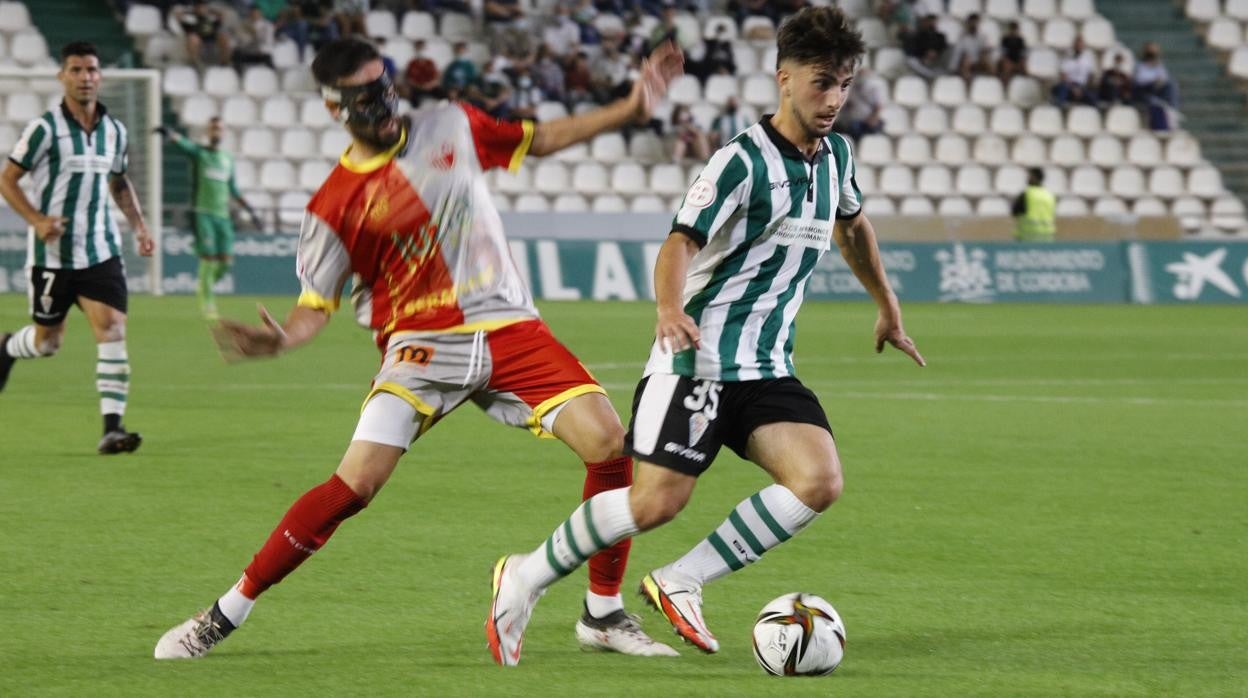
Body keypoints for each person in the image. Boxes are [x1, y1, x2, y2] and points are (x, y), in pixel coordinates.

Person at [153, 36, 687, 661]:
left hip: (510, 327)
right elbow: (312, 307)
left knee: (608, 444)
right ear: (333, 108)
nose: (382, 102)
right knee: (353, 487)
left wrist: (629, 108)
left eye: (385, 86)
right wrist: (280, 340)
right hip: (421, 346)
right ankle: (224, 612)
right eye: (363, 96)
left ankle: (602, 612)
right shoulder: (333, 207)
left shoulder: (451, 124)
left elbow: (535, 139)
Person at [485, 6, 925, 666]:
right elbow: (677, 244)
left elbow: (853, 227)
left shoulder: (837, 157)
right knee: (656, 501)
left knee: (819, 480)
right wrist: (668, 309)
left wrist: (887, 306)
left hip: (766, 366)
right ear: (784, 78)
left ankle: (681, 580)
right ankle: (524, 575)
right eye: (821, 82)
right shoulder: (739, 162)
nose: (833, 99)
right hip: (697, 360)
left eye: (844, 84)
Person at [0, 41, 155, 453]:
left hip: (102, 250)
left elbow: (119, 183)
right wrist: (36, 220)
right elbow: (7, 179)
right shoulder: (44, 129)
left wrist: (139, 226)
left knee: (113, 329)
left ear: (100, 76)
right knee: (46, 343)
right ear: (62, 76)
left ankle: (112, 428)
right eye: (76, 70)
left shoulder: (115, 131)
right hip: (54, 255)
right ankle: (7, 347)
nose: (85, 77)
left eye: (91, 70)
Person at [155, 117, 262, 319]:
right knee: (209, 259)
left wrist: (252, 211)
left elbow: (233, 189)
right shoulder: (200, 153)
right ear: (208, 131)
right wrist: (170, 134)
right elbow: (184, 145)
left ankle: (205, 286)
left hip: (223, 217)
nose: (217, 131)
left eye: (220, 128)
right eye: (213, 128)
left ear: (224, 133)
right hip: (203, 213)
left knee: (226, 263)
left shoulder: (227, 159)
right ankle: (208, 303)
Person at [832, 65, 886, 142]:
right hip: (852, 120)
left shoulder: (873, 90)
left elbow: (878, 107)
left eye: (863, 75)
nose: (861, 77)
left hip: (866, 122)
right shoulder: (851, 89)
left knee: (856, 128)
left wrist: (872, 119)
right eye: (859, 74)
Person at [1012, 167, 1056, 242]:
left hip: (1027, 236)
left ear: (1034, 177)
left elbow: (1015, 212)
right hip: (1046, 236)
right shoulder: (1050, 195)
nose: (1027, 178)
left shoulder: (1026, 194)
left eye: (1029, 176)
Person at [947, 13, 994, 81]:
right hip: (966, 62)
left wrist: (984, 54)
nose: (974, 24)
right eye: (972, 22)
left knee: (987, 59)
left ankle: (993, 81)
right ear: (968, 23)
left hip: (978, 61)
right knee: (966, 60)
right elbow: (957, 53)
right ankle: (967, 85)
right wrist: (953, 68)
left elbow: (984, 50)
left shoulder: (982, 37)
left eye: (975, 22)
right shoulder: (963, 37)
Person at [1051, 36, 1096, 108]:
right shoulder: (1066, 59)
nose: (1078, 47)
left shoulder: (1088, 60)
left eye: (1080, 45)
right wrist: (1073, 88)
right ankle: (1058, 109)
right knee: (1062, 89)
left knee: (1092, 96)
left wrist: (1082, 89)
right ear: (1074, 46)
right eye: (1077, 45)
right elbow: (1063, 77)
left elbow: (1090, 78)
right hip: (1069, 87)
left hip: (1082, 88)